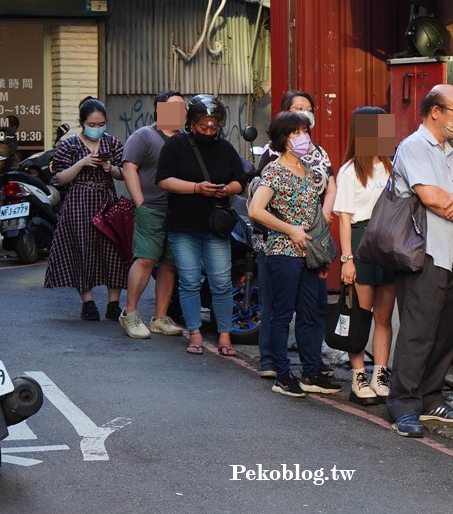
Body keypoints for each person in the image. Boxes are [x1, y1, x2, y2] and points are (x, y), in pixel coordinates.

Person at [386, 84, 453, 437]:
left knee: (445, 332)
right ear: (435, 111)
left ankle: (430, 397)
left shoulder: (449, 153)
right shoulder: (414, 147)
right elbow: (431, 197)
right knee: (417, 331)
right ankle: (403, 404)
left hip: (452, 254)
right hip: (424, 251)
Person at [248, 111, 342, 397]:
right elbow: (255, 210)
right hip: (283, 253)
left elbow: (315, 217)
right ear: (283, 139)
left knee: (311, 315)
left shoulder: (312, 173)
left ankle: (311, 373)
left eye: (305, 132)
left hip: (309, 256)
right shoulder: (273, 171)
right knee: (281, 315)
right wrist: (290, 230)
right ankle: (283, 374)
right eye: (297, 133)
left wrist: (321, 256)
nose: (304, 138)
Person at [156, 95, 247, 356]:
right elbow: (163, 180)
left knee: (220, 282)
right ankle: (194, 332)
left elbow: (240, 180)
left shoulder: (226, 148)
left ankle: (225, 335)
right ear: (191, 123)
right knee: (190, 280)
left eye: (213, 126)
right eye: (203, 126)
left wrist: (225, 189)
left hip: (215, 227)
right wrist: (196, 188)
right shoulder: (175, 146)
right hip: (183, 225)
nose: (208, 131)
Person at [44, 97, 129, 321]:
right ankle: (88, 302)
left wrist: (110, 167)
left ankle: (113, 304)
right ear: (82, 123)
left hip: (107, 201)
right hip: (79, 202)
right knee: (82, 250)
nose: (97, 129)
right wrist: (81, 163)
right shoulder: (69, 145)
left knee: (114, 252)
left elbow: (124, 173)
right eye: (92, 125)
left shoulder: (112, 143)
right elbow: (59, 179)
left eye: (101, 124)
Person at [334, 106, 397, 405]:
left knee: (384, 316)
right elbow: (344, 218)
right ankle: (358, 375)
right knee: (361, 314)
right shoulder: (348, 171)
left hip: (389, 243)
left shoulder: (392, 166)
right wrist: (347, 259)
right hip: (361, 241)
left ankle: (380, 374)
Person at [118, 90, 186, 339]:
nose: (180, 112)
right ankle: (130, 313)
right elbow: (128, 168)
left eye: (183, 107)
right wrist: (141, 204)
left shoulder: (185, 139)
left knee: (169, 264)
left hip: (178, 211)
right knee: (146, 259)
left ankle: (159, 317)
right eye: (174, 107)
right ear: (159, 109)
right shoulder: (143, 136)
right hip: (151, 209)